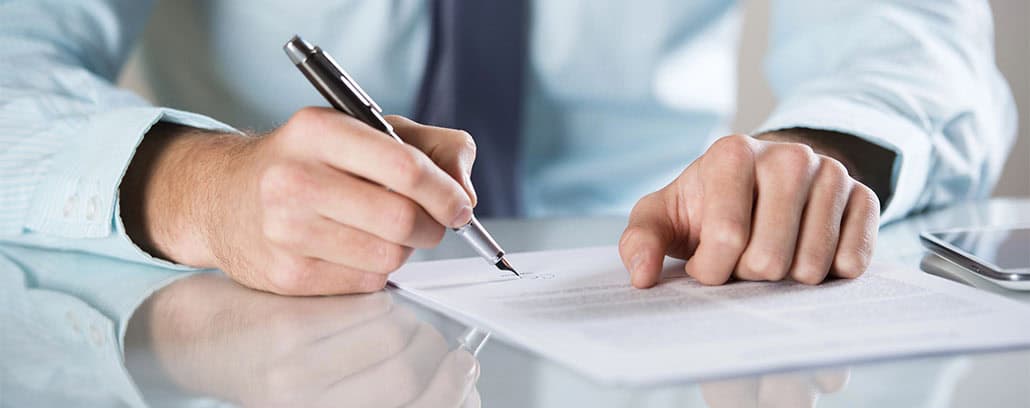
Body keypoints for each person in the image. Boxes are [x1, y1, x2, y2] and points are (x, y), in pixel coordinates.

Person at [0, 1, 1015, 296]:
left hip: (672, 290)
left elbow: (912, 34)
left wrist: (810, 157)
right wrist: (196, 185)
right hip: (250, 311)